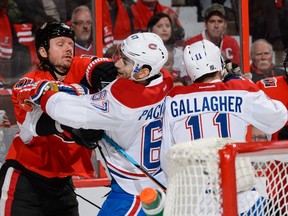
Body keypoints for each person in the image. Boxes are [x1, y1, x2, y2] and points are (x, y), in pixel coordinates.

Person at [17, 32, 174, 215]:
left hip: (132, 193)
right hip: (159, 186)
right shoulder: (165, 80)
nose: (116, 64)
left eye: (125, 61)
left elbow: (65, 109)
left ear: (144, 71)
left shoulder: (122, 101)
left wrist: (41, 91)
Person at [0, 21, 117, 216]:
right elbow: (36, 124)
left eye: (71, 44)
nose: (68, 48)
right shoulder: (28, 82)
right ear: (44, 52)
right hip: (25, 181)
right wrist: (73, 124)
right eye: (60, 44)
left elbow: (98, 66)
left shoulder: (77, 68)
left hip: (63, 186)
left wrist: (105, 73)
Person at [161, 39, 287, 214]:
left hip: (194, 201)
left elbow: (166, 158)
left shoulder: (173, 98)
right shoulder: (239, 89)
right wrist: (239, 80)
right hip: (240, 197)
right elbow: (279, 117)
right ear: (219, 63)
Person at [147, 12, 189, 85]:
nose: (164, 29)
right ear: (150, 30)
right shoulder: (143, 52)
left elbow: (186, 80)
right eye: (159, 26)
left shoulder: (179, 53)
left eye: (167, 26)